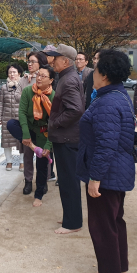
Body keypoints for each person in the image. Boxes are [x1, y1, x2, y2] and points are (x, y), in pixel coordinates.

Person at [77, 49, 135, 273]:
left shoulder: (108, 102)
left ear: (105, 74)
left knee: (102, 226)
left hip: (107, 175)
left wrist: (95, 178)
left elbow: (105, 145)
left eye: (97, 67)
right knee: (114, 221)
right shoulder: (118, 95)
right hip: (117, 171)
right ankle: (118, 268)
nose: (94, 71)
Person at [44, 44, 85, 234]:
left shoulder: (68, 80)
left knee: (69, 181)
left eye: (56, 57)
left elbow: (76, 109)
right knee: (68, 180)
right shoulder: (67, 77)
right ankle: (70, 216)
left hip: (67, 138)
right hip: (67, 137)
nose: (52, 61)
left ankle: (73, 222)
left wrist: (55, 123)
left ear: (65, 61)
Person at [6, 65, 55, 207]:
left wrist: (47, 145)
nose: (38, 78)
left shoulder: (53, 95)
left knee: (42, 162)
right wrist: (26, 136)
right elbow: (21, 113)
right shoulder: (28, 91)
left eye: (43, 76)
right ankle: (28, 180)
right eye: (38, 75)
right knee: (11, 124)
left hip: (43, 132)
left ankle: (39, 193)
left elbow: (53, 122)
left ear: (51, 80)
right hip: (27, 129)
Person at [19, 51, 48, 189]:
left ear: (40, 63)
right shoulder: (24, 80)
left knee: (44, 154)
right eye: (28, 62)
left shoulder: (47, 77)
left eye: (32, 62)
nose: (29, 64)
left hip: (43, 124)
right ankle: (28, 181)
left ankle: (43, 181)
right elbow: (17, 99)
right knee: (28, 154)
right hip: (28, 124)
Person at [0, 64, 24, 171]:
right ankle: (9, 162)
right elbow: (1, 104)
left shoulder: (24, 86)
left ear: (19, 73)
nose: (12, 74)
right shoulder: (4, 88)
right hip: (7, 118)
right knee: (7, 141)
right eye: (10, 72)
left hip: (20, 118)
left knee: (22, 140)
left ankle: (22, 162)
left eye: (14, 72)